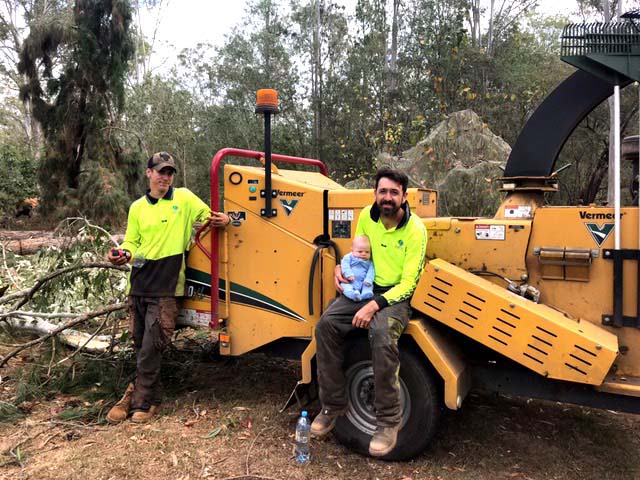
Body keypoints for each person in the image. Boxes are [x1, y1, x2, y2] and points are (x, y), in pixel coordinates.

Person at [106, 152, 230, 424]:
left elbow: (209, 215)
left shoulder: (183, 198)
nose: (165, 177)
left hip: (167, 286)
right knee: (141, 345)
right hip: (138, 283)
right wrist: (121, 254)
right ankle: (149, 397)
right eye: (160, 171)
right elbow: (132, 243)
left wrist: (224, 219)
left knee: (153, 344)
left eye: (170, 172)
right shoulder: (137, 207)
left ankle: (140, 400)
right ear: (148, 173)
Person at [311, 168, 427, 457]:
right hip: (364, 288)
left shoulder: (415, 230)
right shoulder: (366, 215)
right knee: (326, 325)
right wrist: (341, 269)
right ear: (375, 194)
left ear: (404, 196)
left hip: (395, 297)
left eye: (394, 192)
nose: (387, 197)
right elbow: (356, 253)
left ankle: (388, 422)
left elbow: (409, 283)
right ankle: (333, 405)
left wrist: (376, 305)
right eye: (382, 191)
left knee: (380, 333)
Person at [340, 235, 375, 302]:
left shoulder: (369, 262)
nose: (364, 254)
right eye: (360, 251)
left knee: (369, 286)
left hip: (363, 282)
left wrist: (369, 280)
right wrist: (348, 274)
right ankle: (353, 295)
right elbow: (345, 265)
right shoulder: (348, 257)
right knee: (345, 287)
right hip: (350, 281)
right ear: (352, 251)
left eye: (367, 252)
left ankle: (366, 293)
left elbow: (371, 271)